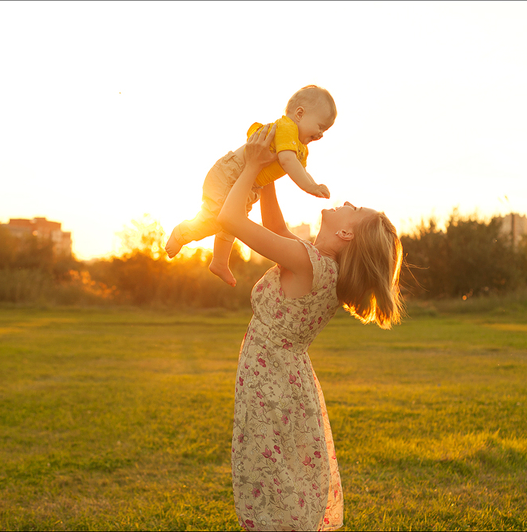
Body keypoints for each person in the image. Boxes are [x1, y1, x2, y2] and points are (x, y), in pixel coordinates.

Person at [219, 124, 404, 531]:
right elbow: (276, 229)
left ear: (346, 233)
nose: (347, 202)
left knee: (271, 476)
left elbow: (229, 218)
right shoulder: (321, 267)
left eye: (354, 209)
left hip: (270, 379)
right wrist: (268, 174)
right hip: (285, 378)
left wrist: (250, 166)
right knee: (282, 473)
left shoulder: (309, 264)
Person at [165, 85, 336, 287]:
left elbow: (300, 168)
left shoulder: (301, 149)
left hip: (249, 183)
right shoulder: (287, 127)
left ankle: (219, 261)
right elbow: (288, 162)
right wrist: (311, 187)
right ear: (299, 114)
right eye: (320, 126)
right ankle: (181, 232)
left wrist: (312, 182)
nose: (321, 134)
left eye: (325, 130)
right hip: (231, 173)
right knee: (215, 219)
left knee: (234, 222)